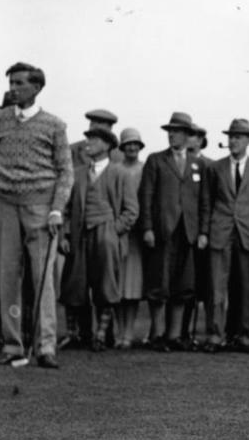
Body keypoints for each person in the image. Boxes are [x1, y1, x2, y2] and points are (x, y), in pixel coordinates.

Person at [0, 62, 73, 368]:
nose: (13, 88)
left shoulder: (54, 125)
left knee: (42, 279)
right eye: (11, 82)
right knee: (8, 276)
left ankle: (46, 347)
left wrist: (56, 209)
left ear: (36, 88)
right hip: (5, 204)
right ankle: (13, 347)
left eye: (20, 83)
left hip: (41, 206)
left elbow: (66, 172)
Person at [58, 128, 138, 351]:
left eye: (93, 139)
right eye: (87, 138)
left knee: (106, 285)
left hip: (106, 235)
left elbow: (131, 210)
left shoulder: (121, 174)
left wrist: (113, 231)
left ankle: (101, 335)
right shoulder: (77, 173)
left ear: (107, 145)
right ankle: (73, 335)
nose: (87, 143)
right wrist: (65, 234)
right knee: (73, 284)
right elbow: (65, 208)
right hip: (78, 235)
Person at [198, 119, 249, 353]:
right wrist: (204, 232)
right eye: (231, 136)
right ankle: (214, 336)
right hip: (220, 232)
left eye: (238, 137)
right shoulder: (214, 168)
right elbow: (206, 202)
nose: (233, 141)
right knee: (216, 289)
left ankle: (245, 337)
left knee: (248, 289)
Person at [138, 112, 202, 352]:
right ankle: (157, 334)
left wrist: (202, 231)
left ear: (187, 135)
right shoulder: (155, 160)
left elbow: (202, 202)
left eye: (176, 131)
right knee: (159, 284)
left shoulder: (198, 164)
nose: (171, 135)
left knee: (183, 285)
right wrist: (147, 228)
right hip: (163, 230)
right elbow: (146, 196)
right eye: (169, 131)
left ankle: (174, 335)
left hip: (188, 232)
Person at [182, 124, 214, 346]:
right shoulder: (178, 162)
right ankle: (178, 332)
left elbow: (208, 202)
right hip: (181, 232)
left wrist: (204, 231)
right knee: (181, 283)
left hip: (201, 235)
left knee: (198, 284)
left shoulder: (209, 166)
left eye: (193, 135)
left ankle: (197, 332)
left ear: (201, 139)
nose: (189, 139)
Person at [114, 128, 146, 348]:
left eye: (135, 144)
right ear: (122, 147)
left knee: (132, 288)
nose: (132, 148)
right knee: (117, 286)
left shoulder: (145, 169)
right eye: (128, 144)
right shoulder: (114, 170)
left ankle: (128, 332)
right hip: (117, 232)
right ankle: (118, 331)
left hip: (137, 236)